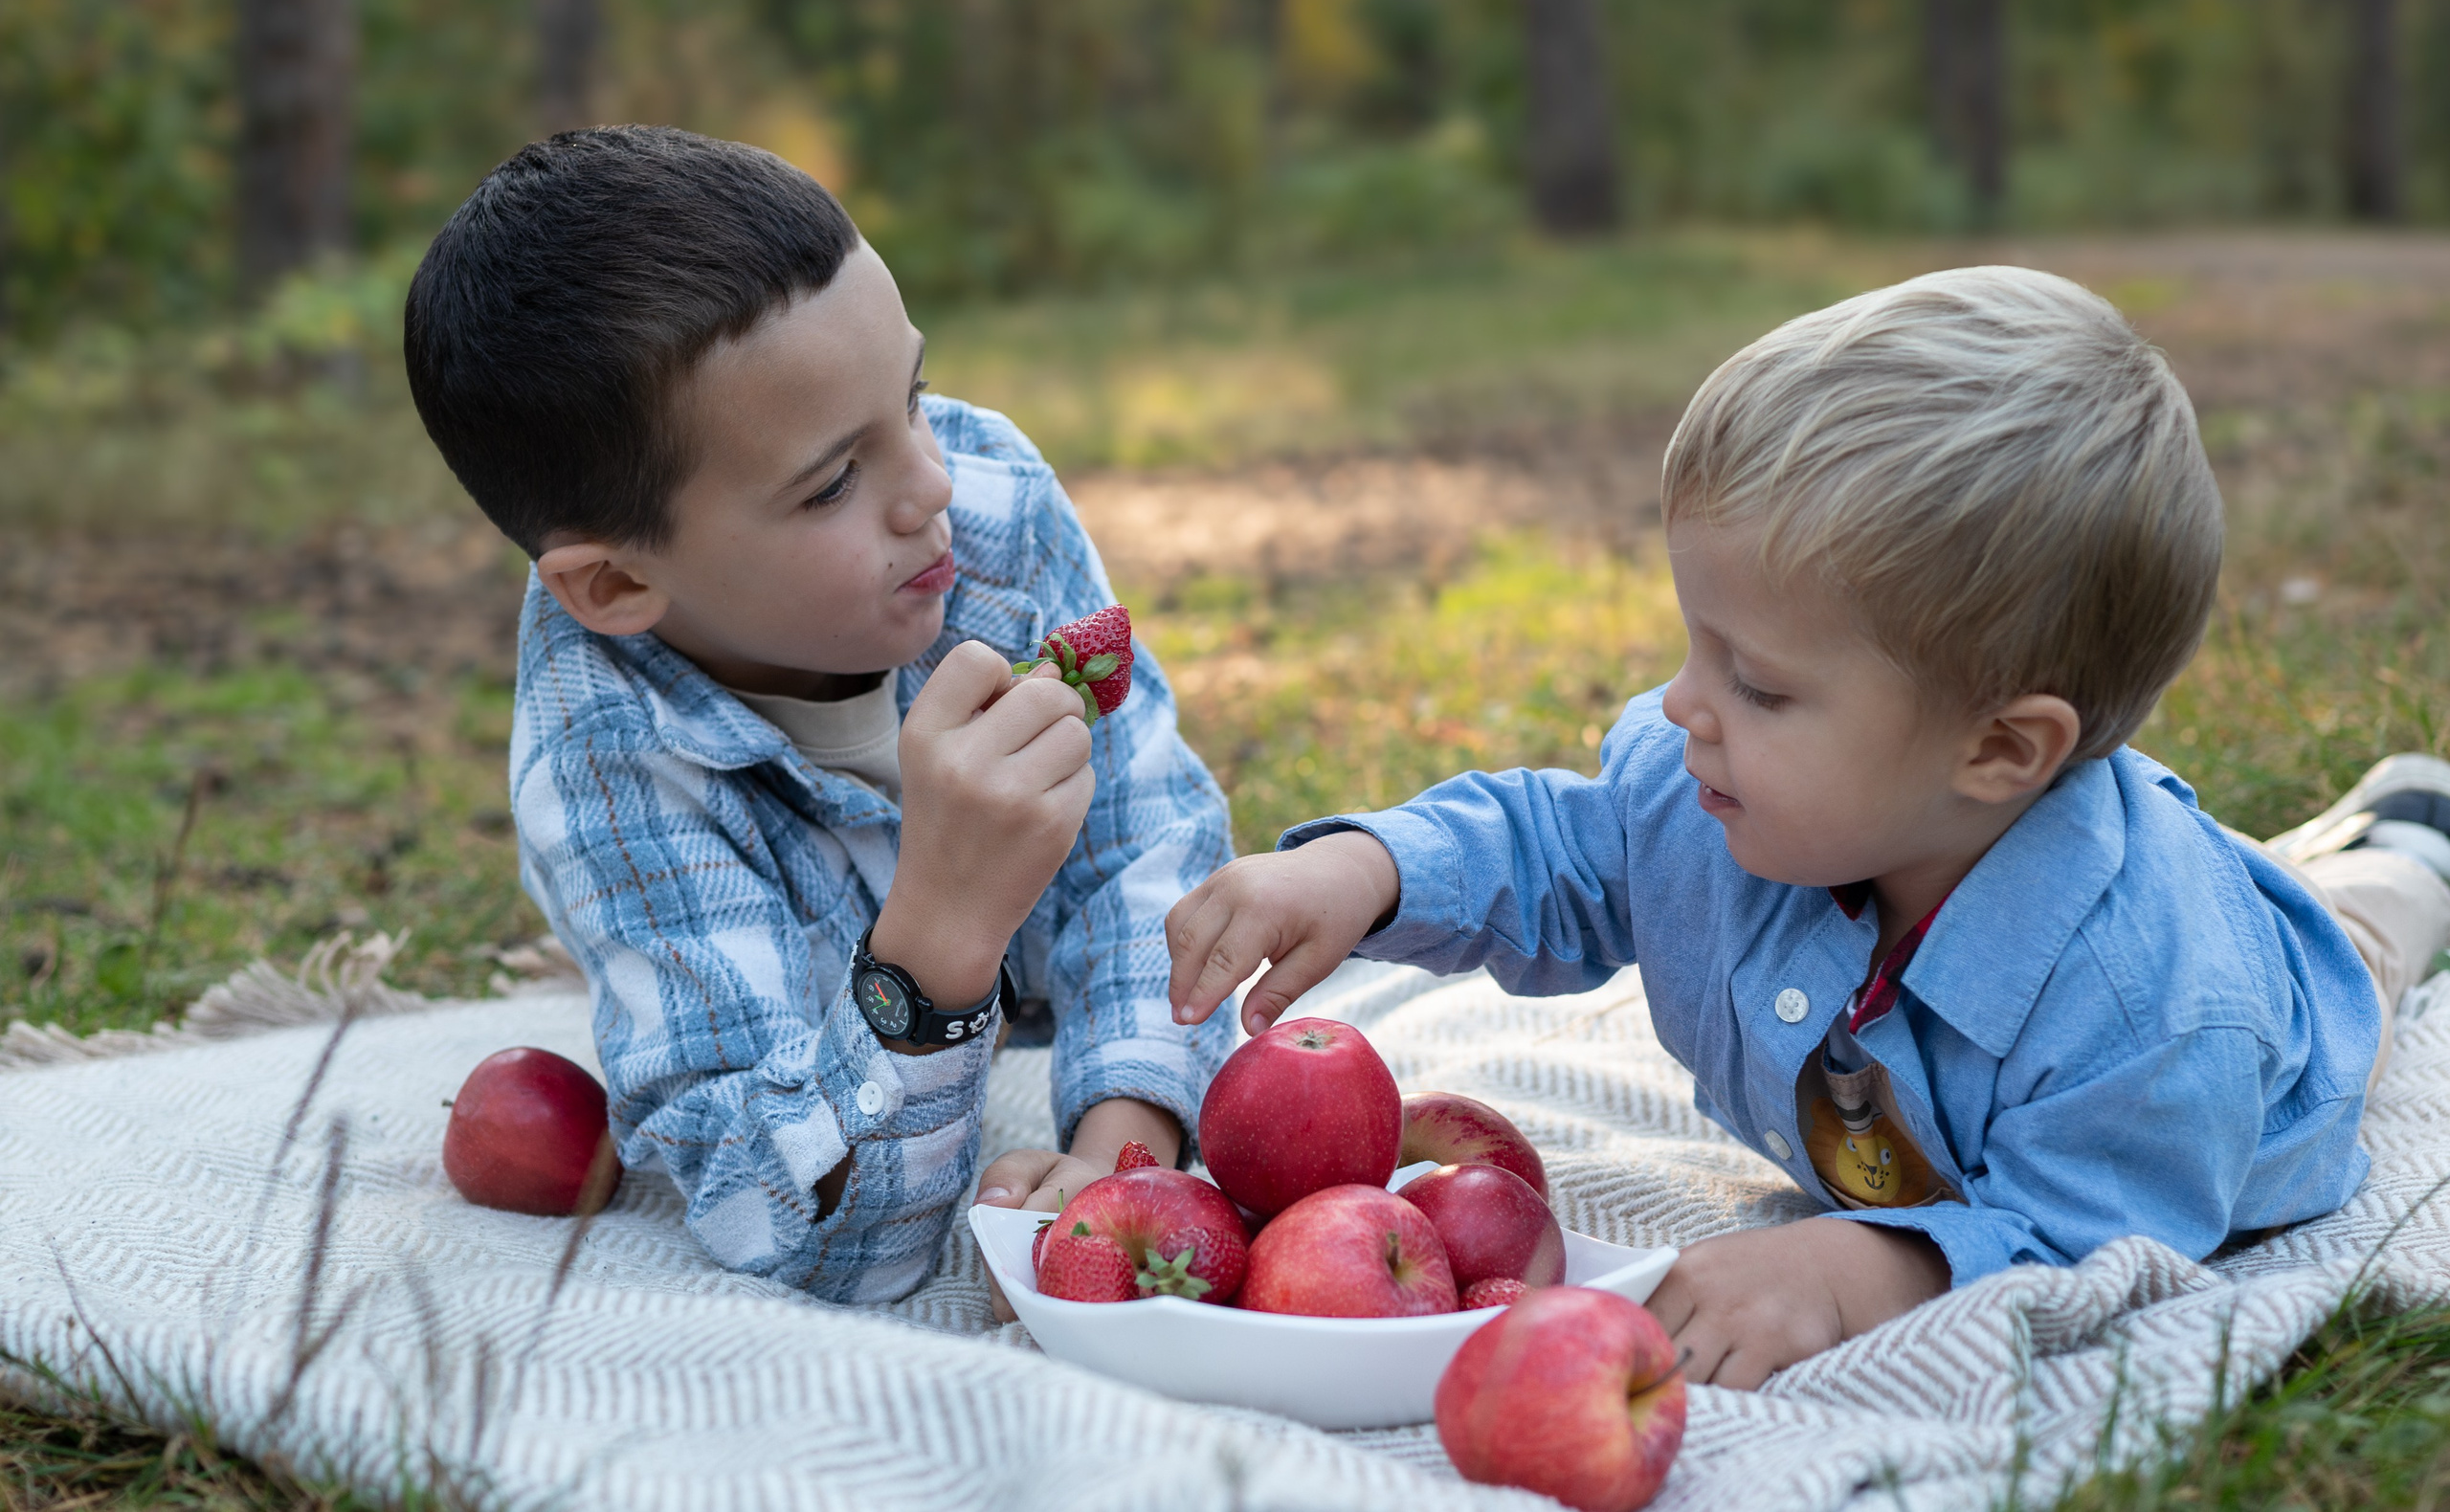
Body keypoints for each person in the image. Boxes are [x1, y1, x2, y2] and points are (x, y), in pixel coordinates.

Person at [1165, 266, 2450, 1388]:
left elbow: (2106, 1244)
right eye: (1696, 646)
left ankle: (2402, 855)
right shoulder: (1719, 784)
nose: (1683, 706)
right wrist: (1367, 868)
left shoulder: (2159, 1018)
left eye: (1759, 683)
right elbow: (1560, 851)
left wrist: (1869, 1267)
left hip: (2273, 1018)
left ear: (1999, 749)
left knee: (2358, 953)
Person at [405, 126, 1235, 1301]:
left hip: (1037, 1007)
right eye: (835, 480)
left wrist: (1121, 1147)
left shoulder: (989, 508)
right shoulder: (608, 766)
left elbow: (1147, 848)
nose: (931, 484)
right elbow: (814, 1236)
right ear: (619, 586)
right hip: (842, 1023)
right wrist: (937, 938)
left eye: (915, 393)